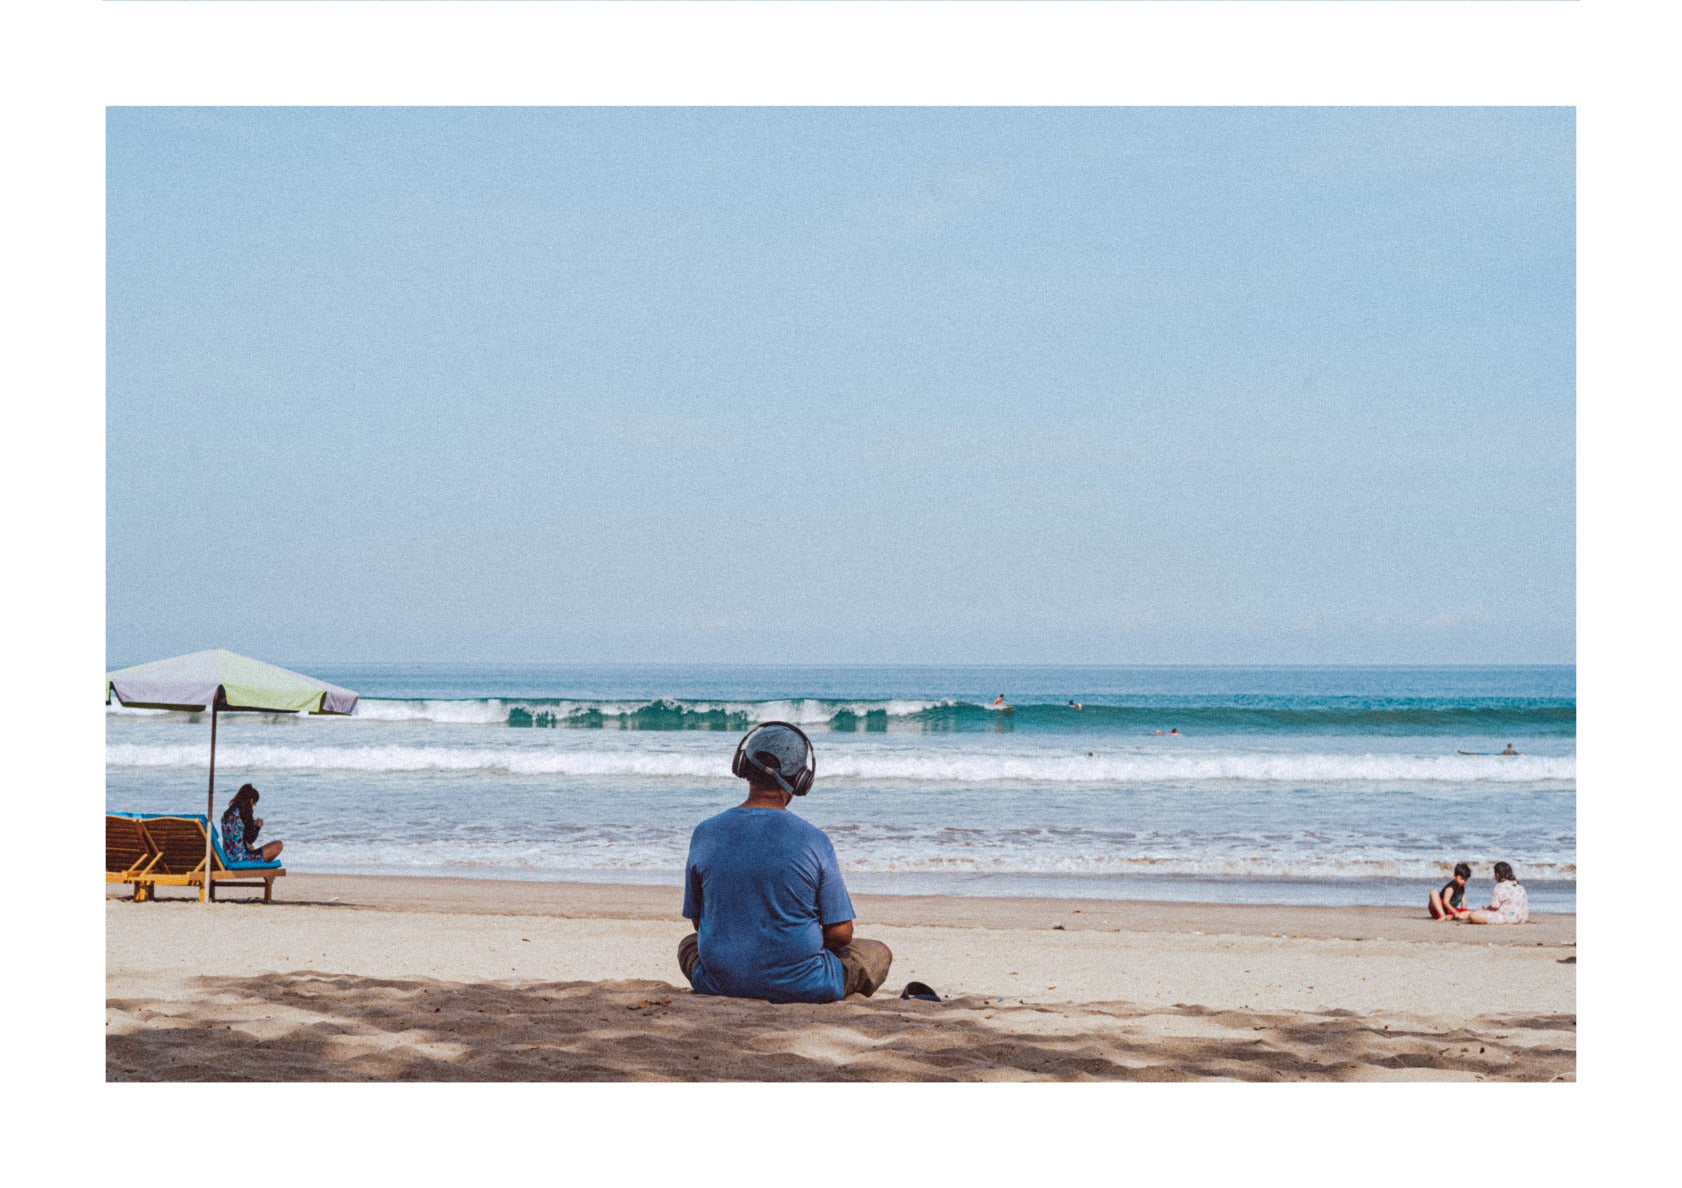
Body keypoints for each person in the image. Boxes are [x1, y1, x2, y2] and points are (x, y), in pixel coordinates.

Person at [678, 722, 892, 1004]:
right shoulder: (813, 840)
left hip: (720, 982)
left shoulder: (705, 832)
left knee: (688, 945)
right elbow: (841, 934)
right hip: (804, 985)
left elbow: (699, 922)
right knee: (879, 953)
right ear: (802, 780)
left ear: (742, 765)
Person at [221, 783, 283, 863]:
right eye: (255, 803)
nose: (254, 805)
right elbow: (250, 839)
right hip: (241, 859)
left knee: (250, 847)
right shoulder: (245, 811)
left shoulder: (228, 814)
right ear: (251, 800)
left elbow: (237, 836)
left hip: (228, 857)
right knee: (278, 845)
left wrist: (247, 845)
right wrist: (258, 827)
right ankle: (261, 867)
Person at [1465, 861, 1529, 925]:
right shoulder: (1519, 886)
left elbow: (1494, 907)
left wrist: (1486, 909)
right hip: (1522, 917)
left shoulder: (1499, 886)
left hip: (1507, 917)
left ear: (1497, 875)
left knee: (1473, 915)